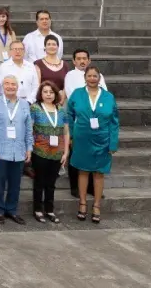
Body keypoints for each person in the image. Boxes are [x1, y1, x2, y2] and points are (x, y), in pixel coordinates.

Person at [65, 66, 119, 224]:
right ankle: (82, 203)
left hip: (103, 140)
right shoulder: (77, 94)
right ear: (85, 77)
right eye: (89, 75)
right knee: (82, 171)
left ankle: (96, 205)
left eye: (95, 76)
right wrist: (72, 135)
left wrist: (113, 143)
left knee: (99, 172)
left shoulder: (108, 97)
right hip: (82, 139)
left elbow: (115, 122)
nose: (92, 78)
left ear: (99, 78)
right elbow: (69, 115)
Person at [0, 75, 34, 225]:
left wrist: (29, 148)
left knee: (15, 184)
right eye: (7, 84)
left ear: (18, 87)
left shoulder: (24, 104)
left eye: (13, 84)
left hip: (19, 151)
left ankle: (12, 210)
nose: (10, 86)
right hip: (1, 150)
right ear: (3, 86)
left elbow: (29, 128)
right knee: (0, 182)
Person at [64, 49, 106, 199]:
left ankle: (92, 188)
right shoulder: (70, 76)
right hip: (79, 120)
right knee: (76, 154)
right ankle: (75, 187)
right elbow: (72, 96)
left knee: (93, 154)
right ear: (74, 61)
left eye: (84, 58)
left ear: (89, 60)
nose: (82, 61)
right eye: (79, 59)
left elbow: (104, 95)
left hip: (96, 123)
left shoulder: (97, 75)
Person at [31, 81, 70, 223]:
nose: (48, 95)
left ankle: (49, 210)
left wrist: (65, 152)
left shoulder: (61, 110)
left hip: (57, 153)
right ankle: (37, 209)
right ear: (40, 94)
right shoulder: (35, 108)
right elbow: (30, 129)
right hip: (39, 152)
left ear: (56, 94)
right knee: (39, 182)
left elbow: (65, 132)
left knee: (51, 183)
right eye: (45, 92)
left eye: (51, 92)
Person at [34, 35, 69, 100]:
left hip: (60, 102)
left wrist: (61, 100)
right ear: (45, 47)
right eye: (49, 44)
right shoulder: (38, 64)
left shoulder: (65, 65)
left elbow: (66, 86)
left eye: (54, 44)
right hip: (43, 101)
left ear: (58, 47)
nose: (51, 46)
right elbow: (37, 85)